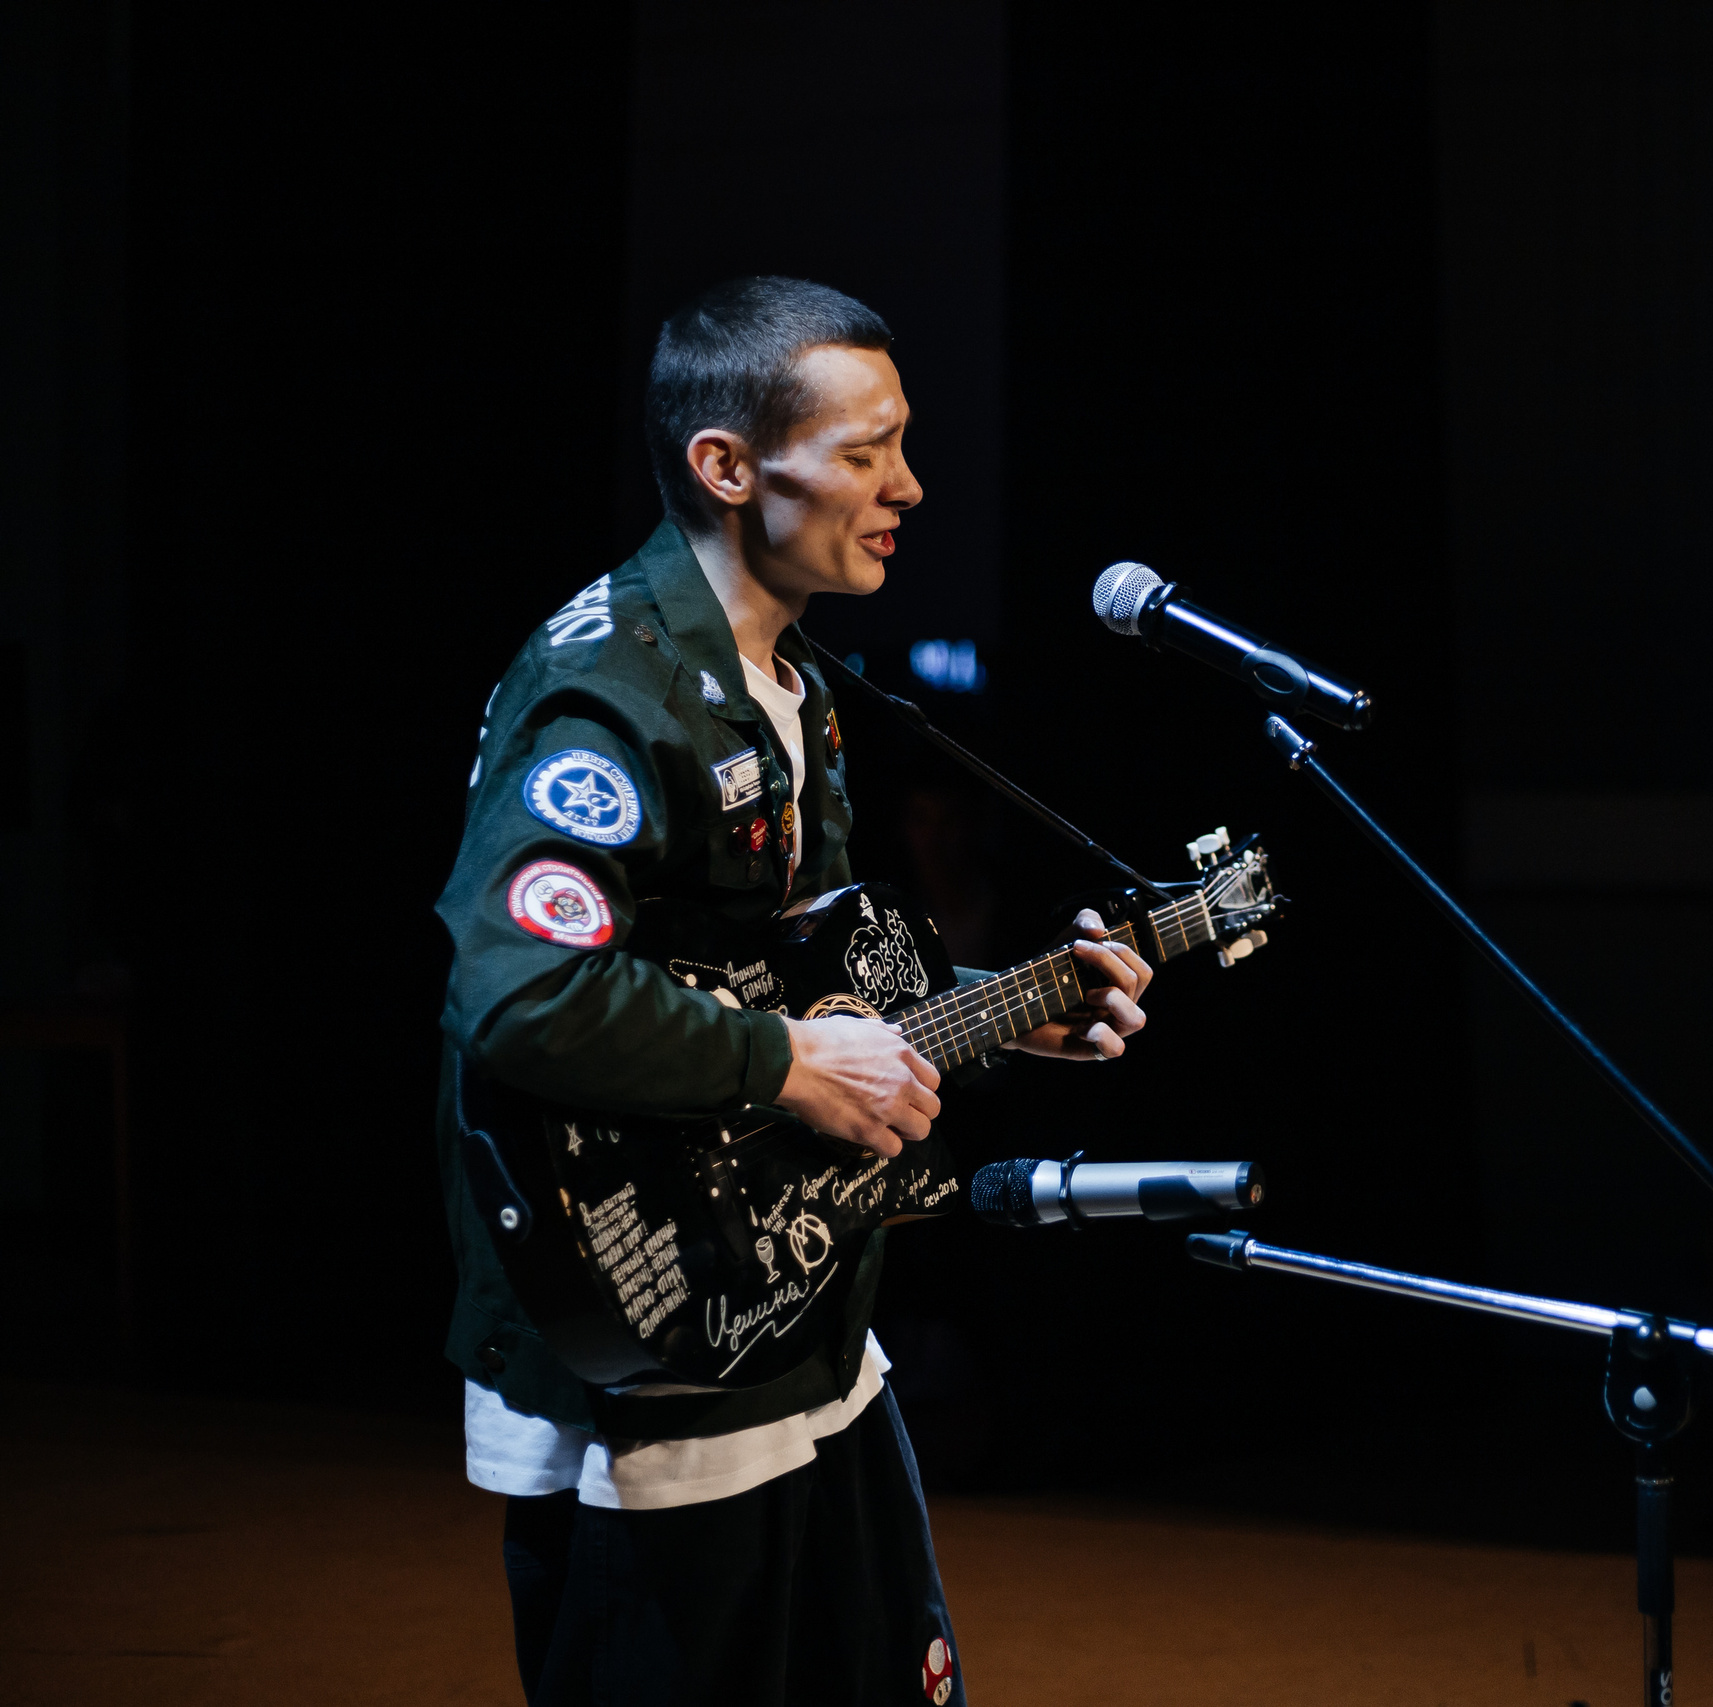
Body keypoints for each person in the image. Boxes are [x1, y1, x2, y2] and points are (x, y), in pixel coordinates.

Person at [433, 277, 1152, 1706]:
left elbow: (792, 990)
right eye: (866, 452)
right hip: (657, 1355)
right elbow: (521, 1001)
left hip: (802, 1325)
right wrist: (785, 1067)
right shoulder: (609, 695)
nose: (908, 486)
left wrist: (1007, 1009)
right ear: (727, 467)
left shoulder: (795, 677)